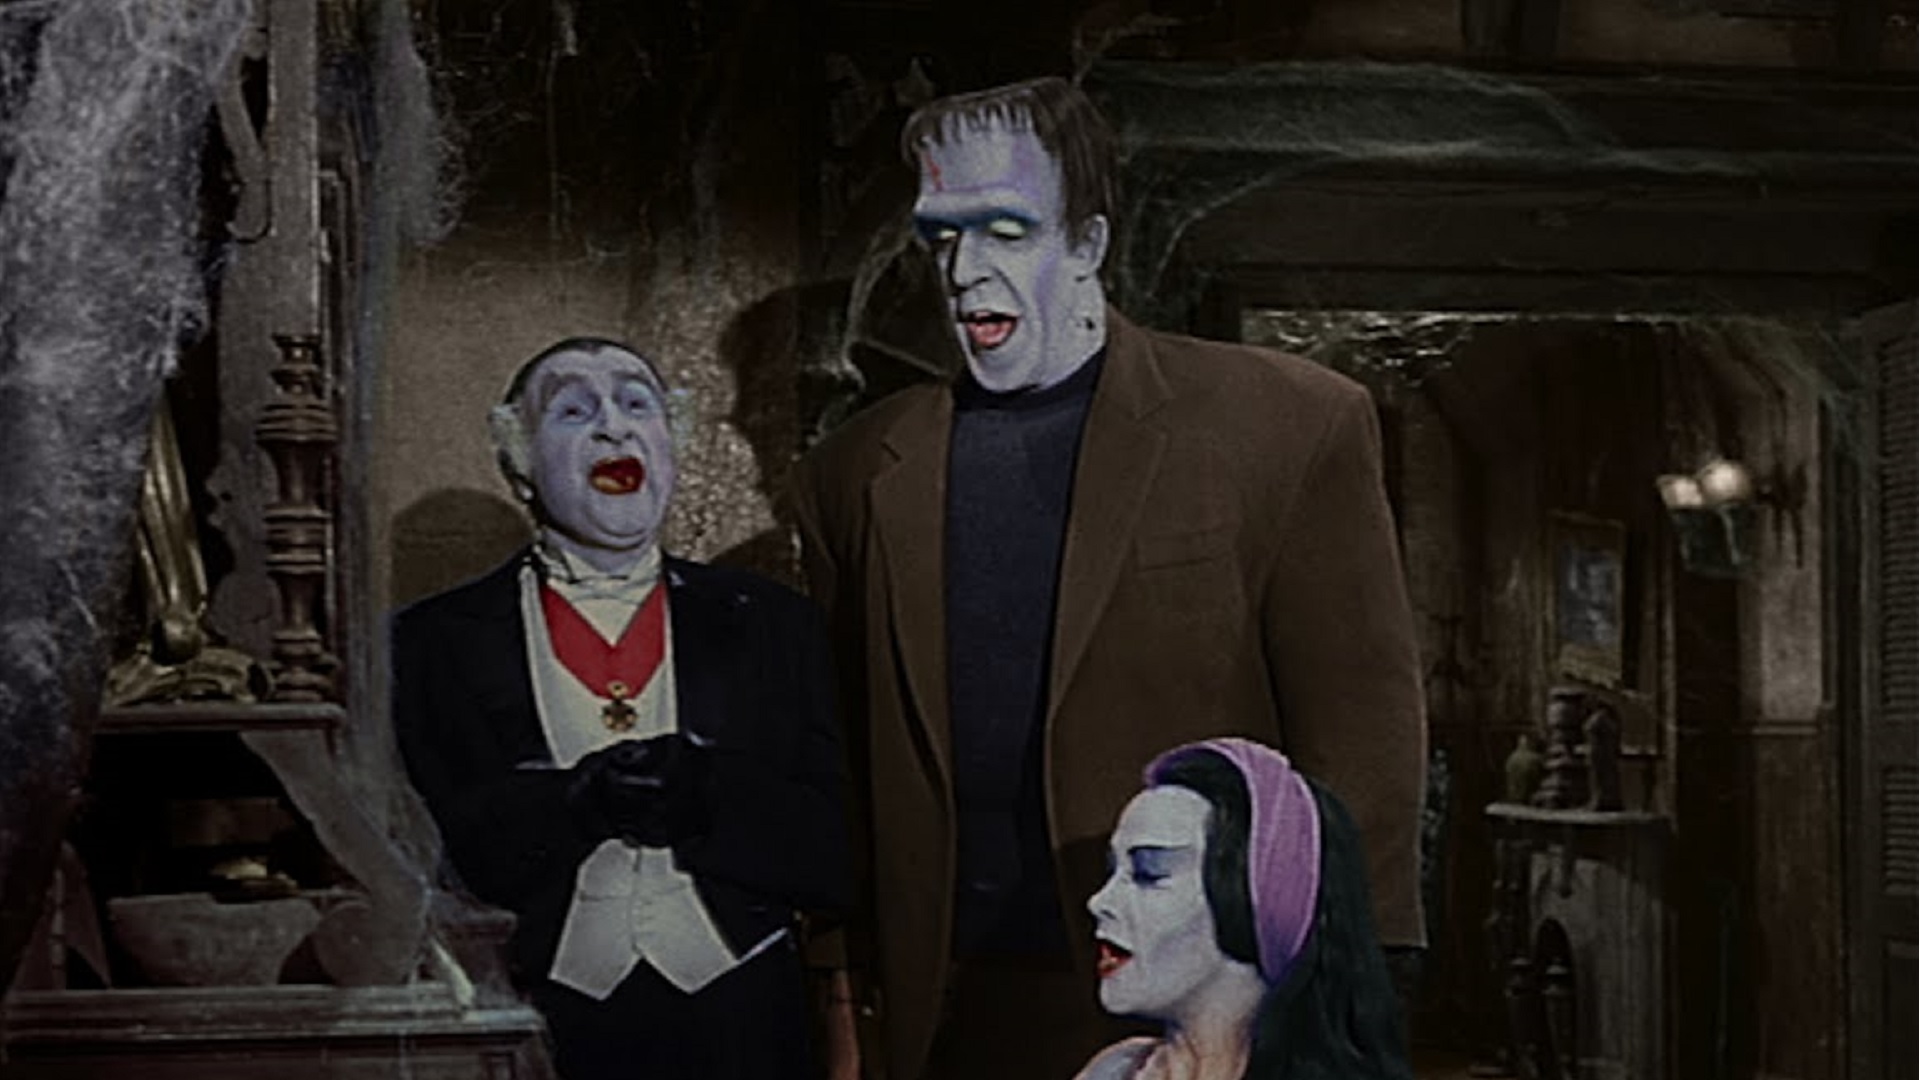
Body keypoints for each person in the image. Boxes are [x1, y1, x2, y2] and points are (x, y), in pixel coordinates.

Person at [788, 76, 1426, 1079]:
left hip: (1204, 1006)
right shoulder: (853, 473)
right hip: (947, 1006)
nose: (963, 270)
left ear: (1087, 242)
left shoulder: (1288, 424)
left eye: (1005, 229)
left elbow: (1363, 744)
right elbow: (839, 766)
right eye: (941, 235)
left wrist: (1342, 1001)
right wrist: (837, 984)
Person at [393, 337, 850, 1080]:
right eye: (574, 411)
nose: (614, 427)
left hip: (742, 1022)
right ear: (520, 462)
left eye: (638, 404)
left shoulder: (774, 622)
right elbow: (422, 855)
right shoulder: (428, 643)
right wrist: (569, 805)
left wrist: (710, 796)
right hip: (536, 1016)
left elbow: (838, 847)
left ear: (673, 444)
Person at [1079, 738, 1412, 1080]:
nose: (1099, 901)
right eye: (1111, 871)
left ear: (1249, 898)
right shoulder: (1114, 1070)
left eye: (1149, 873)